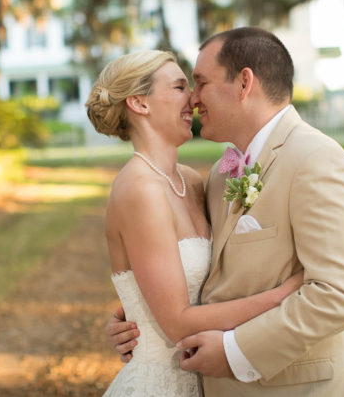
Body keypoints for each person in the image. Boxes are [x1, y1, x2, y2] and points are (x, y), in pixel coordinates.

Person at [106, 27, 344, 396]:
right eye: (185, 86)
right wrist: (140, 314)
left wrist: (237, 352)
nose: (194, 99)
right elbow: (204, 274)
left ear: (244, 83)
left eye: (200, 82)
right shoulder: (218, 175)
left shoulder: (318, 161)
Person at [85, 49, 305, 397]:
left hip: (211, 380)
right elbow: (176, 322)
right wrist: (286, 294)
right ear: (140, 103)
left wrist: (131, 313)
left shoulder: (196, 180)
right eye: (178, 87)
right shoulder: (138, 190)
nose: (193, 98)